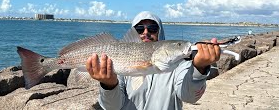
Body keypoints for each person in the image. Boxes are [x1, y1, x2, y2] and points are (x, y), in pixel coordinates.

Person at [86, 11, 221, 110]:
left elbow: (190, 97)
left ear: (160, 32)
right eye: (139, 29)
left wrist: (199, 68)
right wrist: (109, 85)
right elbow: (112, 107)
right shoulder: (121, 63)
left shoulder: (179, 64)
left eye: (152, 28)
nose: (145, 32)